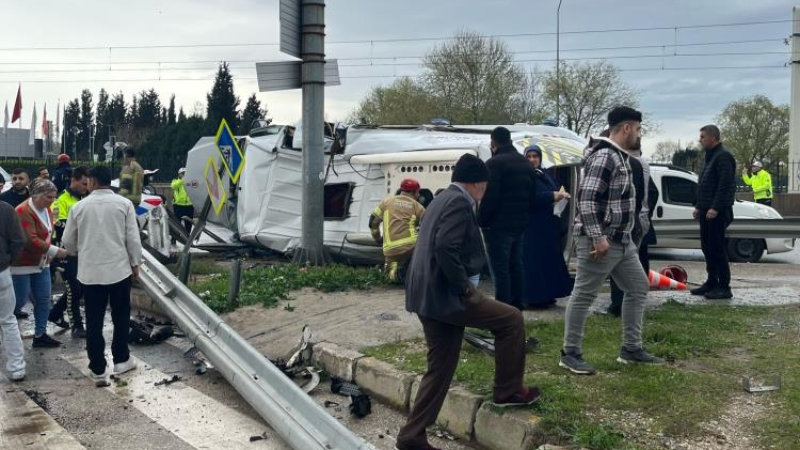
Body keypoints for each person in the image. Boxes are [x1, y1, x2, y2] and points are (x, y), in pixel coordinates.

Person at [397, 155, 540, 450]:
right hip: (447, 296)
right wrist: (464, 287)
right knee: (511, 319)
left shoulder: (440, 199)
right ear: (477, 183)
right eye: (485, 185)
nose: (485, 190)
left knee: (440, 368)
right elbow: (444, 247)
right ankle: (508, 391)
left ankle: (412, 436)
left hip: (425, 296)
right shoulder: (459, 203)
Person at [560, 106, 663, 375]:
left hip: (622, 241)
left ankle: (631, 349)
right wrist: (598, 238)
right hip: (601, 242)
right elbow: (586, 199)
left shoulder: (620, 157)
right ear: (626, 128)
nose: (639, 134)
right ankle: (570, 353)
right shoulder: (605, 156)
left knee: (638, 287)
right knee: (584, 295)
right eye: (638, 129)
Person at [62, 166, 142, 387]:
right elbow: (133, 238)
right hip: (119, 271)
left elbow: (68, 241)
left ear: (93, 181)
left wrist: (79, 251)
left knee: (94, 320)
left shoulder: (79, 207)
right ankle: (121, 360)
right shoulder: (124, 204)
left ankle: (97, 367)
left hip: (90, 273)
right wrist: (135, 263)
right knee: (121, 316)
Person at [478, 126, 536, 310]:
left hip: (498, 226)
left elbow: (490, 197)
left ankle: (503, 310)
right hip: (520, 224)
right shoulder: (526, 163)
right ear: (510, 140)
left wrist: (482, 221)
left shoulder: (494, 164)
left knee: (500, 270)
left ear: (493, 143)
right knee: (516, 266)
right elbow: (532, 194)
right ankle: (517, 306)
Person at [11, 179, 67, 348]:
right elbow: (30, 240)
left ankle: (40, 334)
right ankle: (7, 329)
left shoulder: (46, 209)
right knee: (18, 300)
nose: (53, 200)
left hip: (42, 262)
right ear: (36, 195)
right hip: (21, 264)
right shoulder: (22, 210)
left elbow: (48, 233)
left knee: (43, 299)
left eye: (54, 197)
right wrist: (55, 251)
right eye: (49, 197)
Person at [608, 144, 659, 317]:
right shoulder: (640, 165)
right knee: (636, 264)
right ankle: (631, 301)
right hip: (638, 223)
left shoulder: (632, 165)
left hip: (631, 224)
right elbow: (652, 193)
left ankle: (619, 304)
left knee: (623, 263)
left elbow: (650, 193)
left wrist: (640, 214)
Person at [520, 145, 573, 309]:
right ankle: (535, 298)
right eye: (529, 157)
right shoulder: (524, 176)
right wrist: (551, 196)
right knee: (534, 262)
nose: (532, 159)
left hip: (548, 224)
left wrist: (562, 195)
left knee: (548, 261)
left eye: (535, 156)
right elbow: (528, 198)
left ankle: (549, 293)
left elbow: (554, 188)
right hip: (533, 225)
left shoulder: (545, 173)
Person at [691, 125, 736, 300]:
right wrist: (698, 206)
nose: (700, 140)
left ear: (713, 138)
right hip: (706, 210)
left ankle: (724, 286)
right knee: (707, 247)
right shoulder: (708, 156)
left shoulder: (723, 156)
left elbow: (725, 185)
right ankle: (711, 281)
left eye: (703, 137)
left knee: (717, 248)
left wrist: (715, 208)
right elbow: (704, 183)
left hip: (718, 211)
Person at [49, 166, 90, 338]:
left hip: (82, 251)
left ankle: (54, 313)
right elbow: (60, 227)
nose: (86, 187)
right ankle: (76, 325)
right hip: (64, 251)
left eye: (88, 184)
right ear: (73, 180)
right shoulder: (61, 200)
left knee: (79, 289)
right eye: (83, 183)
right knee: (74, 288)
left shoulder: (86, 198)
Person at [369, 178, 426, 283]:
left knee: (390, 276)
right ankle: (409, 273)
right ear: (413, 192)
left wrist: (377, 238)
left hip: (390, 249)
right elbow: (427, 228)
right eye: (418, 192)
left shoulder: (387, 202)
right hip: (411, 247)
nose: (418, 196)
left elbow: (372, 221)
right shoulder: (418, 207)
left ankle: (394, 273)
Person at [0, 200, 26, 381]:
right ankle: (17, 368)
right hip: (1, 271)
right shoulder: (5, 208)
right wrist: (8, 260)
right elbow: (18, 240)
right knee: (8, 321)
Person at [171, 168, 195, 236]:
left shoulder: (191, 181)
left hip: (189, 205)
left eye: (186, 173)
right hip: (178, 205)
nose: (184, 175)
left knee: (188, 223)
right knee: (177, 223)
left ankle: (187, 237)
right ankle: (174, 237)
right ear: (179, 174)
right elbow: (173, 186)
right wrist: (182, 180)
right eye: (183, 173)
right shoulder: (175, 181)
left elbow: (196, 187)